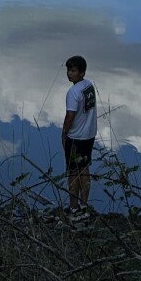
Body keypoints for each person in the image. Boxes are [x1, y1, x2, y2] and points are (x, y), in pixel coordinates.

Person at [62, 55, 97, 217]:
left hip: (76, 138)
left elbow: (70, 116)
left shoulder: (73, 92)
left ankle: (73, 208)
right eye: (68, 70)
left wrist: (64, 134)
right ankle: (85, 206)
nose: (69, 73)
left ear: (82, 72)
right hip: (89, 135)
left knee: (73, 172)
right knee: (84, 169)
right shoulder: (89, 85)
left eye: (73, 71)